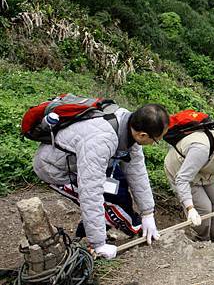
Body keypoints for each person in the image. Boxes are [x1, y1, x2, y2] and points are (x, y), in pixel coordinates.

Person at [33, 103, 169, 259]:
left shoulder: (128, 123)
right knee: (110, 202)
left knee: (120, 188)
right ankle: (130, 230)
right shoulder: (101, 141)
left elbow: (136, 170)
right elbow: (90, 193)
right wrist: (99, 244)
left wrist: (148, 212)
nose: (154, 143)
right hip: (57, 169)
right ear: (143, 135)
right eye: (156, 140)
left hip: (87, 159)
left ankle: (93, 230)